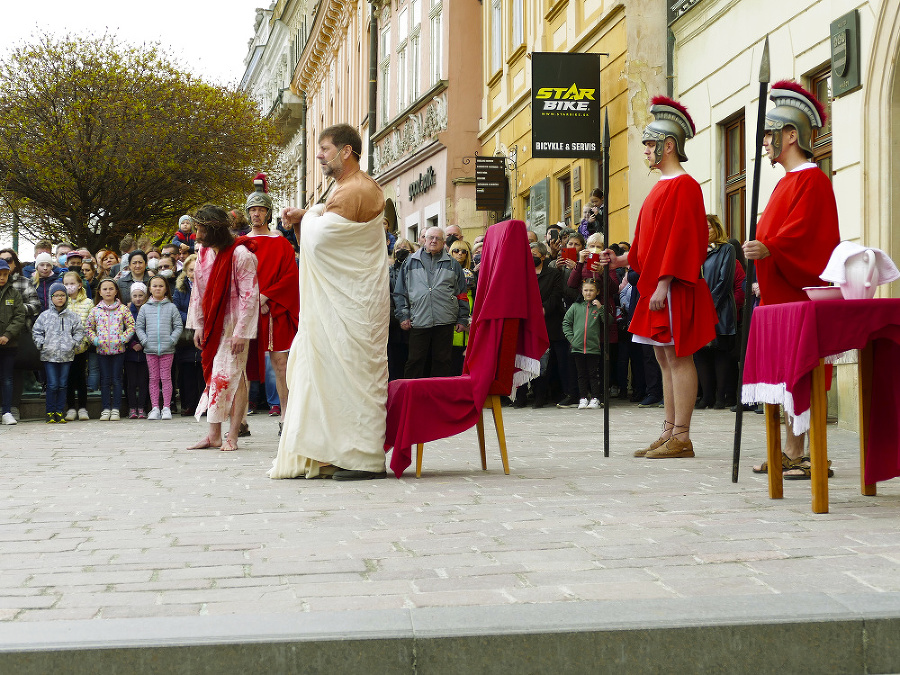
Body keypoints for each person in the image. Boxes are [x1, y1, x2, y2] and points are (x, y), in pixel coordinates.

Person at [269, 123, 389, 480]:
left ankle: (365, 457)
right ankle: (337, 452)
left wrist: (309, 219)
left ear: (346, 151)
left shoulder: (355, 190)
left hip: (355, 305)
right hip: (347, 302)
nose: (319, 155)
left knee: (354, 374)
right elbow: (324, 225)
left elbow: (321, 242)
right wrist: (309, 215)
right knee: (335, 376)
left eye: (324, 149)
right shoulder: (343, 189)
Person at [600, 96, 717, 459]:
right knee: (664, 358)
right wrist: (621, 260)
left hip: (673, 286)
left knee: (679, 356)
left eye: (651, 144)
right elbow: (650, 241)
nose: (646, 150)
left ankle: (682, 435)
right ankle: (669, 431)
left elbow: (682, 239)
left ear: (669, 145)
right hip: (657, 285)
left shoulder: (684, 186)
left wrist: (664, 281)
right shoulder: (660, 188)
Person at [744, 80, 841, 478]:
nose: (765, 141)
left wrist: (771, 250)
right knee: (783, 374)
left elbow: (808, 238)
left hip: (799, 298)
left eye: (770, 133)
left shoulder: (812, 180)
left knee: (800, 372)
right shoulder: (785, 182)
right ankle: (787, 450)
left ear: (791, 135)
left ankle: (798, 452)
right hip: (778, 296)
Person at [186, 204, 259, 452]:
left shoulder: (241, 255)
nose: (197, 234)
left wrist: (241, 332)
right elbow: (198, 291)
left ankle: (233, 436)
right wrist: (197, 325)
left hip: (234, 325)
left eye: (201, 229)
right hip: (212, 324)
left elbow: (250, 296)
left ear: (214, 230)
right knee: (215, 377)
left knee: (235, 377)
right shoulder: (204, 255)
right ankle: (214, 435)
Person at [245, 173, 300, 432]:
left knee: (280, 363)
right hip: (247, 310)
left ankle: (285, 415)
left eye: (261, 210)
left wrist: (267, 296)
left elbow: (290, 276)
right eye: (252, 210)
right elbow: (236, 276)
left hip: (274, 309)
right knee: (241, 364)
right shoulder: (240, 244)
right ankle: (240, 419)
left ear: (268, 213)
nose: (256, 214)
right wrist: (254, 299)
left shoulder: (281, 243)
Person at [393, 226, 470, 379]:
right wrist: (403, 316)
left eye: (438, 238)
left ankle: (439, 397)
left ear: (443, 242)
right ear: (424, 240)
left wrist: (462, 318)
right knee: (415, 361)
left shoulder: (453, 264)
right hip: (418, 319)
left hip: (445, 321)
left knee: (442, 361)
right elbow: (400, 292)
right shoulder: (410, 262)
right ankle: (412, 396)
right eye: (430, 238)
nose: (434, 241)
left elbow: (462, 294)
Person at [693, 214, 737, 409]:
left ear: (716, 229)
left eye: (708, 227)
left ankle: (721, 397)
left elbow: (725, 281)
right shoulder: (695, 250)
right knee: (700, 354)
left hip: (720, 309)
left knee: (720, 353)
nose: (704, 231)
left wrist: (708, 305)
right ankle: (706, 397)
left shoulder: (726, 249)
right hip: (697, 308)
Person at [33, 282, 84, 423]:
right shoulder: (44, 316)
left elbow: (79, 331)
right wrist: (41, 343)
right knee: (53, 384)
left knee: (63, 384)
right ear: (51, 297)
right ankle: (50, 412)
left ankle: (60, 411)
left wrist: (74, 343)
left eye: (63, 295)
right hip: (49, 356)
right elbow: (36, 331)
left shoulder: (73, 316)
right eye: (56, 295)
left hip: (67, 356)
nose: (60, 298)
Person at [87, 278, 135, 421]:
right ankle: (106, 408)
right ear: (100, 292)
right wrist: (96, 340)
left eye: (111, 289)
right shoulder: (95, 310)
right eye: (105, 289)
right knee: (105, 380)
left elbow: (131, 326)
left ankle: (116, 409)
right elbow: (89, 328)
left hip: (118, 351)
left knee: (117, 379)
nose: (108, 291)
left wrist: (122, 339)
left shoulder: (123, 309)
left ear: (116, 291)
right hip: (102, 351)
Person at [137, 275, 183, 421]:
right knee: (153, 378)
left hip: (167, 349)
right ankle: (155, 407)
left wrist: (171, 340)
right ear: (149, 289)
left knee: (166, 378)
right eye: (154, 286)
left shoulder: (171, 307)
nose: (158, 288)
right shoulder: (144, 308)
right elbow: (139, 327)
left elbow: (178, 326)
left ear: (166, 289)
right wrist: (145, 341)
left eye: (161, 286)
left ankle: (167, 408)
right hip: (150, 350)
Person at [562, 277, 605, 409]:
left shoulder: (598, 307)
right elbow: (566, 323)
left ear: (597, 292)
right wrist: (572, 339)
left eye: (591, 290)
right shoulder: (575, 307)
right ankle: (582, 398)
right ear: (581, 291)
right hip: (577, 348)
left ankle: (595, 398)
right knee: (581, 374)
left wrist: (601, 308)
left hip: (593, 348)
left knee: (593, 374)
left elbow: (608, 321)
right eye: (585, 290)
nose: (588, 293)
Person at [172, 255, 203, 417]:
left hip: (204, 331)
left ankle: (204, 405)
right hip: (186, 334)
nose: (194, 273)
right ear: (185, 271)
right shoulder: (180, 288)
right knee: (187, 371)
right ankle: (189, 404)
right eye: (191, 270)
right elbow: (176, 309)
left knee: (203, 372)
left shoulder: (208, 285)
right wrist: (192, 319)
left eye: (197, 269)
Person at [62, 271, 93, 421]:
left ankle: (82, 408)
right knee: (68, 378)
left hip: (81, 348)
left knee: (81, 377)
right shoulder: (62, 302)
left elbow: (90, 324)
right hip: (65, 349)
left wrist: (85, 341)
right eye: (66, 284)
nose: (69, 287)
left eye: (72, 284)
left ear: (80, 284)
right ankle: (71, 408)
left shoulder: (88, 302)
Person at [0, 259, 26, 425]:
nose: (2, 277)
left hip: (9, 344)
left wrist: (8, 335)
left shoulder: (14, 293)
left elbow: (19, 316)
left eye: (4, 274)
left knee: (7, 379)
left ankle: (7, 411)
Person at [448, 239, 476, 376]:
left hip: (470, 329)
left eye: (463, 251)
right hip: (451, 329)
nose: (460, 254)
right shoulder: (445, 273)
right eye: (456, 251)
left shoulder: (473, 274)